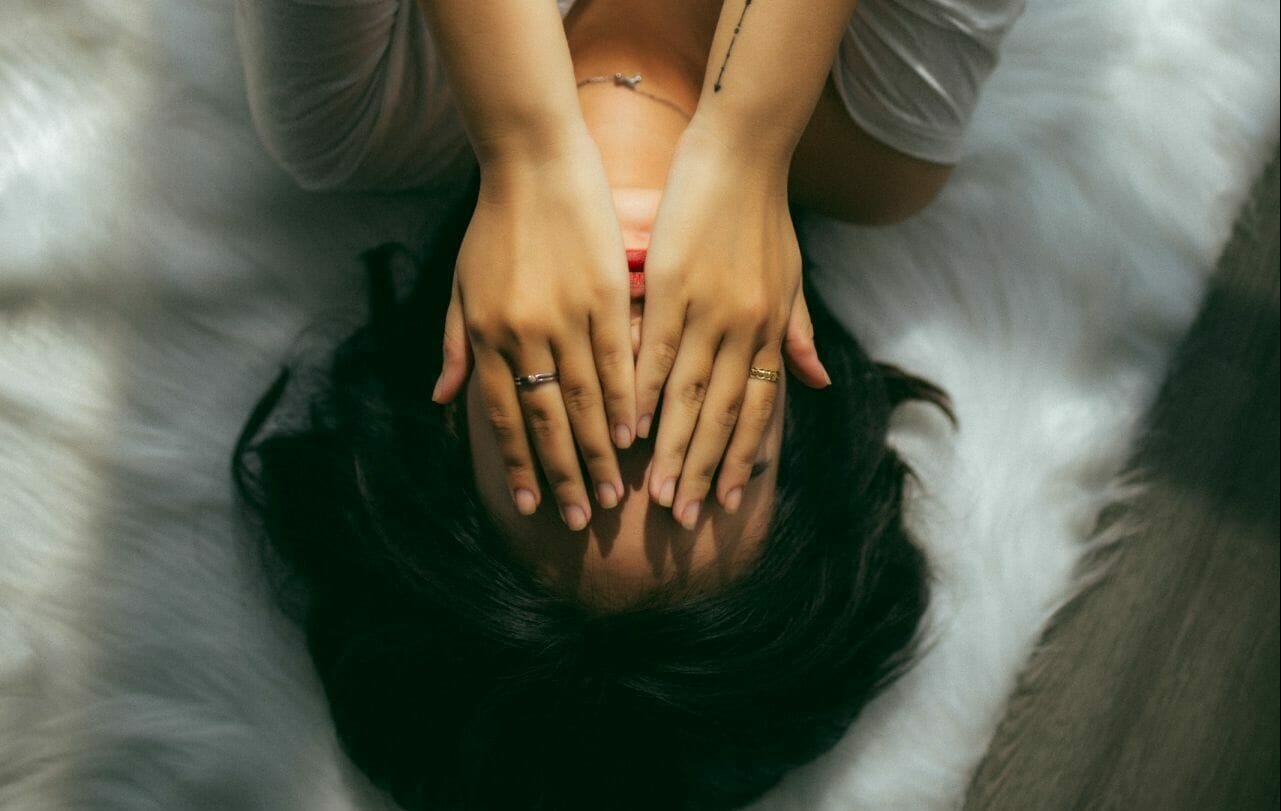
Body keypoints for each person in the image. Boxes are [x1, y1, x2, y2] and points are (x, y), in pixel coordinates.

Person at [230, 1, 1008, 807]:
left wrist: (525, 144)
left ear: (454, 406)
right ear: (795, 394)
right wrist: (747, 140)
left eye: (574, 432)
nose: (635, 369)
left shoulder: (353, 107)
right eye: (695, 432)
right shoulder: (886, 136)